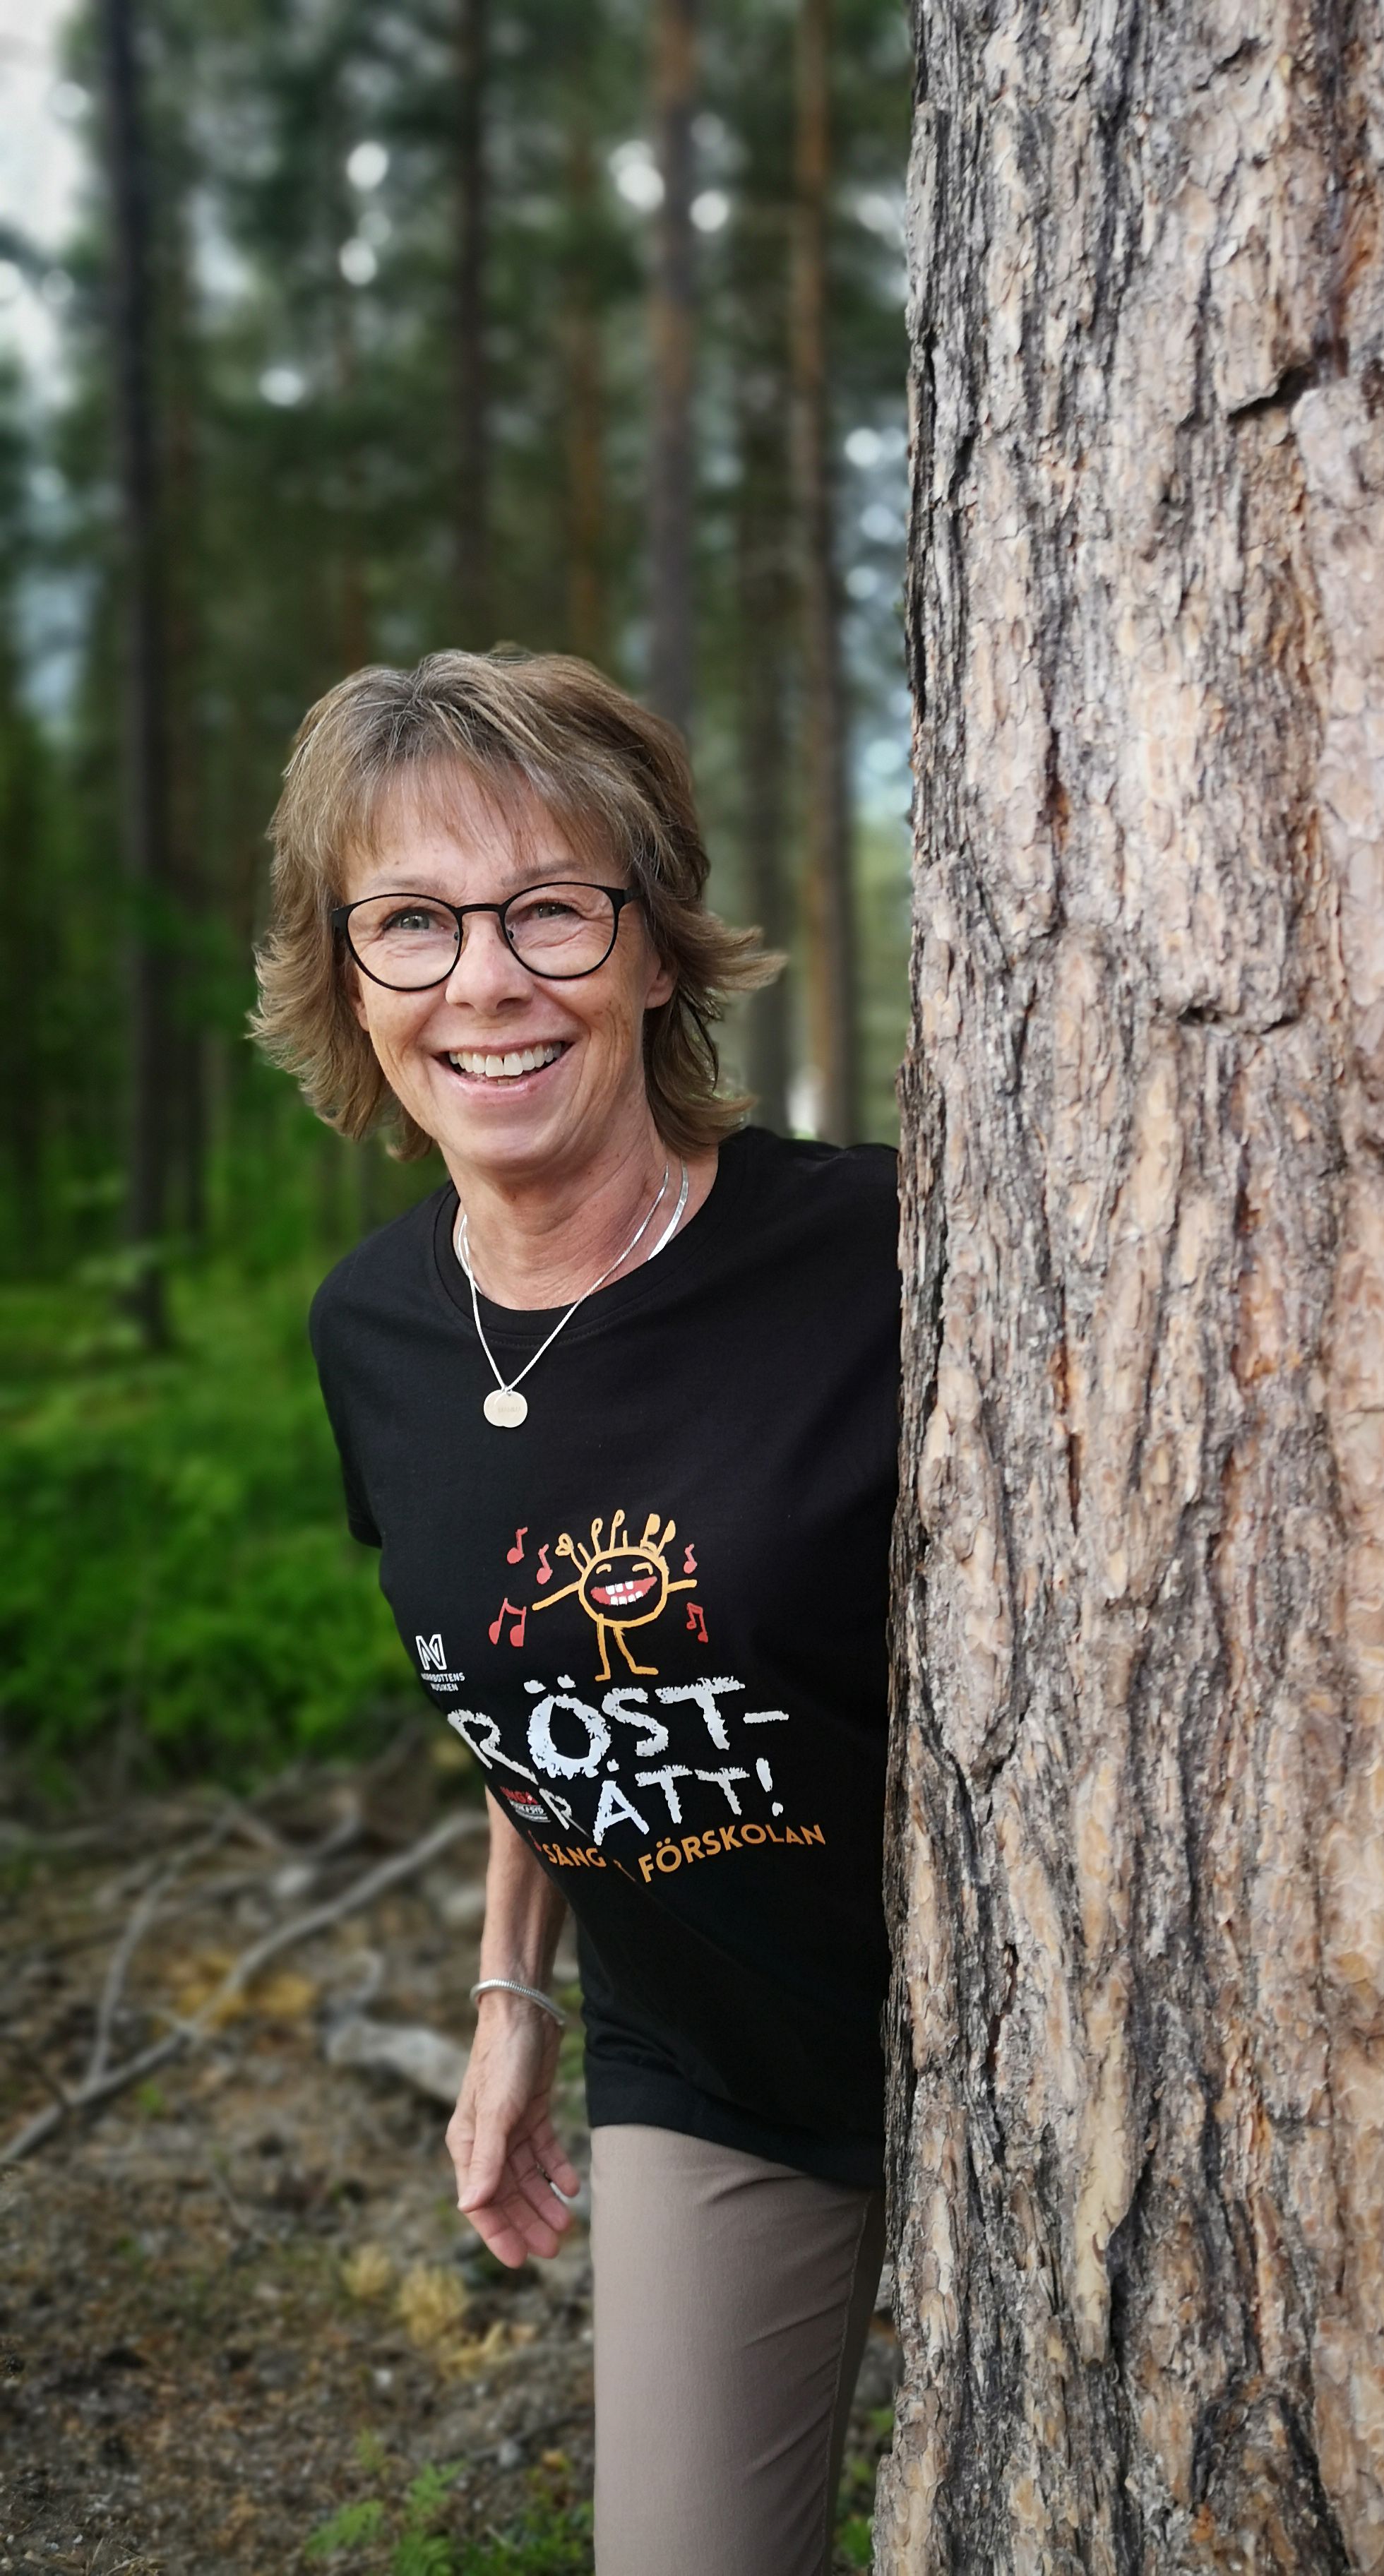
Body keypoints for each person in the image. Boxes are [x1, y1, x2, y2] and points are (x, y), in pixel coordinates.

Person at [252, 648, 898, 2576]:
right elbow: (535, 1694)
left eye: (550, 908)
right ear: (346, 977)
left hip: (1034, 2038)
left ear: (655, 947)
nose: (485, 979)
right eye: (413, 923)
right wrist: (509, 2000)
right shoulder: (372, 1334)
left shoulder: (874, 1250)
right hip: (715, 2067)